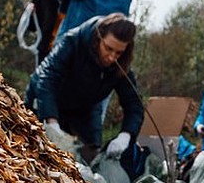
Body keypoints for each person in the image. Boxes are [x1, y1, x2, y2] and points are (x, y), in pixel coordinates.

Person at [26, 13, 143, 163]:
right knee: (36, 149)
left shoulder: (120, 65)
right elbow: (47, 77)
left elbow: (134, 104)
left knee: (90, 159)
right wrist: (52, 123)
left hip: (84, 109)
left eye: (119, 52)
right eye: (108, 48)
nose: (112, 57)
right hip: (47, 98)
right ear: (98, 37)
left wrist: (126, 135)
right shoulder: (73, 41)